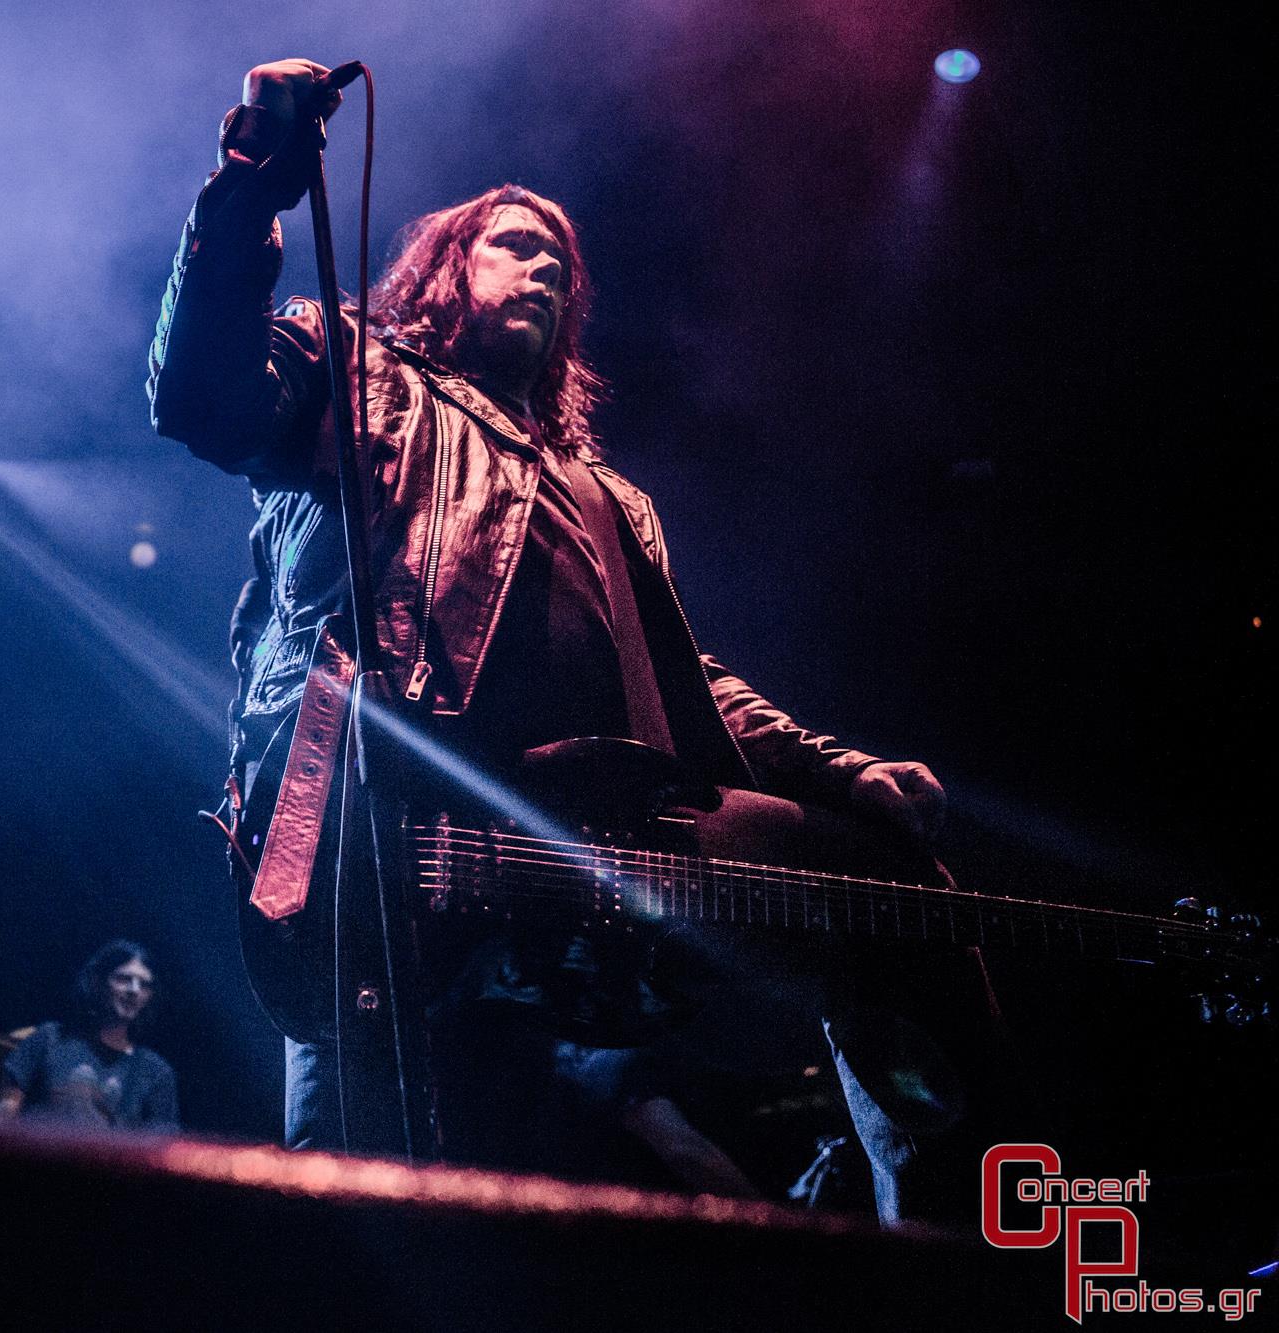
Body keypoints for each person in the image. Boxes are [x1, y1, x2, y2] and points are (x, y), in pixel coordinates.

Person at [148, 59, 949, 1220]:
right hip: (377, 819)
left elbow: (691, 684)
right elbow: (197, 395)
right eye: (514, 245)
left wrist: (839, 771)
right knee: (361, 1178)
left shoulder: (604, 492)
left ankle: (945, 1252)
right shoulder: (358, 370)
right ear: (445, 266)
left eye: (558, 265)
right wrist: (248, 189)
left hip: (585, 834)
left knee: (883, 881)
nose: (543, 269)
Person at [0, 940, 179, 1134]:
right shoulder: (49, 1039)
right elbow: (5, 1111)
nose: (134, 990)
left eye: (144, 985)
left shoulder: (156, 1072)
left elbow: (160, 1144)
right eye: (124, 979)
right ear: (98, 982)